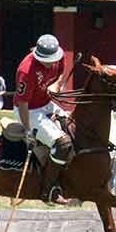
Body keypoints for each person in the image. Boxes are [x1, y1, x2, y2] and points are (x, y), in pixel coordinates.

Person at [14, 33, 74, 205]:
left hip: (47, 104)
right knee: (62, 143)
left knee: (74, 128)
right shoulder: (26, 70)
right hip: (29, 111)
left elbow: (62, 72)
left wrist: (58, 84)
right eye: (46, 60)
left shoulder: (58, 56)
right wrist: (27, 130)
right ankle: (48, 190)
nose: (50, 63)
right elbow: (23, 104)